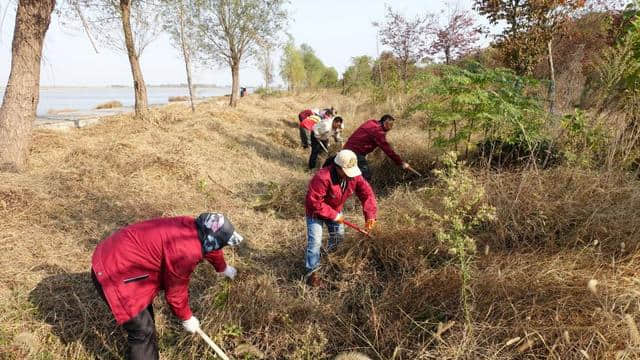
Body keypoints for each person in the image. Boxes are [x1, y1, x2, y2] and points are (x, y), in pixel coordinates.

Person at [91, 213, 243, 359]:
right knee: (142, 332)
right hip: (114, 273)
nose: (222, 247)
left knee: (146, 324)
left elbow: (211, 247)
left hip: (118, 255)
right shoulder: (185, 252)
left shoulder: (192, 227)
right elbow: (175, 292)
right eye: (222, 243)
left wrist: (223, 268)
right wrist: (187, 317)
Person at [304, 149, 377, 287]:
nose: (350, 176)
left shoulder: (354, 177)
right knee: (315, 243)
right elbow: (313, 202)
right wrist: (334, 215)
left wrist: (370, 217)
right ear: (337, 167)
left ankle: (328, 261)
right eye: (346, 171)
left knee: (338, 239)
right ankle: (312, 275)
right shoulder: (322, 177)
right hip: (315, 213)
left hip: (336, 211)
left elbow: (367, 194)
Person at [343, 114, 413, 182]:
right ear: (385, 122)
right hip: (354, 153)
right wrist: (401, 162)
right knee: (366, 176)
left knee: (351, 174)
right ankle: (361, 192)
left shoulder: (371, 122)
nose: (391, 128)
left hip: (347, 149)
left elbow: (369, 140)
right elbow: (387, 150)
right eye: (390, 125)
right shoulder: (378, 131)